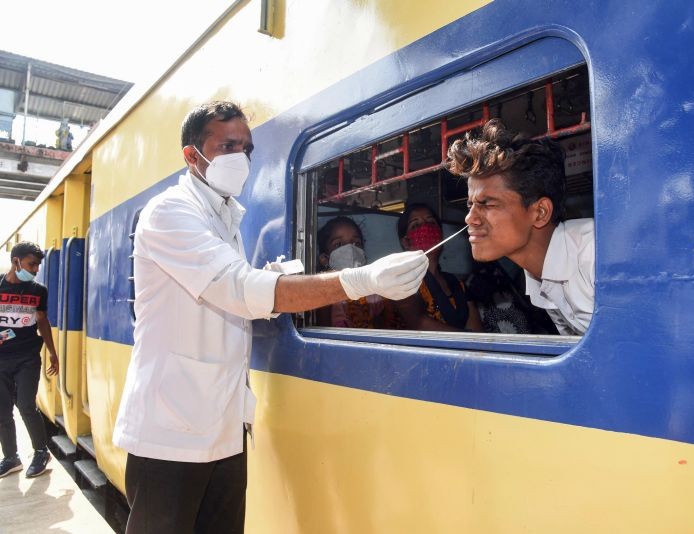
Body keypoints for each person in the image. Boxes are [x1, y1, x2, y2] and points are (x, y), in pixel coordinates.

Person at [112, 101, 428, 534]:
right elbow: (238, 290)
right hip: (171, 433)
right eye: (227, 146)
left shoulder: (224, 216)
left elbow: (232, 286)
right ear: (192, 155)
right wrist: (359, 279)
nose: (241, 158)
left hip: (222, 426)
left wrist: (269, 280)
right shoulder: (170, 212)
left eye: (247, 147)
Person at [447, 118, 594, 336]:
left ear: (540, 212)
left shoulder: (594, 257)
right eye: (470, 205)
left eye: (487, 203)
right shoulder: (538, 276)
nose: (470, 218)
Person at [0, 241, 59, 479]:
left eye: (37, 265)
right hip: (1, 359)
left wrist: (53, 353)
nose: (35, 270)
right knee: (2, 410)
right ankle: (11, 457)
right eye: (31, 264)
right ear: (16, 262)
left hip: (27, 357)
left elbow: (42, 321)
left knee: (25, 405)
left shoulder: (38, 290)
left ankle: (41, 452)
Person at [395, 203, 482, 332]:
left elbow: (477, 332)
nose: (425, 228)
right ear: (406, 242)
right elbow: (419, 325)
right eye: (416, 225)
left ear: (440, 235)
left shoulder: (457, 284)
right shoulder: (402, 281)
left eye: (431, 223)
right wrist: (468, 340)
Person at [316, 216, 396, 328]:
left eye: (356, 243)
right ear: (325, 258)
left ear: (363, 254)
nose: (350, 249)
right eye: (338, 244)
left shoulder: (374, 292)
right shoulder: (325, 296)